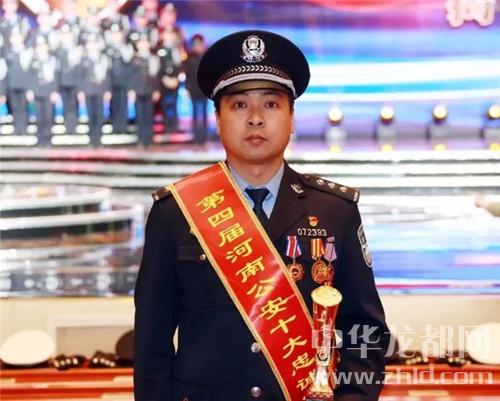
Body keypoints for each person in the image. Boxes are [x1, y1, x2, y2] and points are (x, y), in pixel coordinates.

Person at [134, 30, 389, 401]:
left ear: (291, 117)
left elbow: (365, 330)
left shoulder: (335, 211)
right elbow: (151, 343)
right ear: (218, 118)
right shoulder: (176, 213)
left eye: (271, 104)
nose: (255, 118)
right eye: (239, 105)